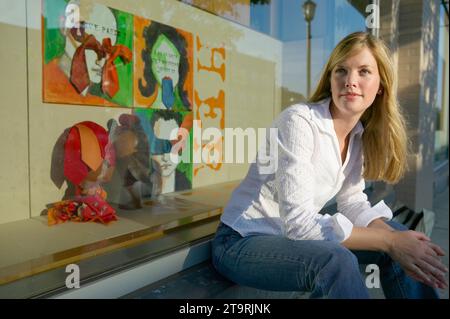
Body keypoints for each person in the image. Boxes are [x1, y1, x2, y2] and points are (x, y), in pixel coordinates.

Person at [211, 32, 448, 299]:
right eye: (342, 71)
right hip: (241, 242)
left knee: (402, 238)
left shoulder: (357, 135)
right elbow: (299, 225)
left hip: (289, 240)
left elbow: (353, 202)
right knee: (338, 261)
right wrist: (389, 241)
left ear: (380, 85)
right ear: (331, 79)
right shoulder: (299, 121)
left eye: (364, 72)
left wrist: (395, 240)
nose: (350, 81)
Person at [138, 22, 192, 111]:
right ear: (151, 63)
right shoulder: (142, 115)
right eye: (159, 58)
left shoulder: (190, 117)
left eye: (172, 58)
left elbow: (198, 124)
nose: (166, 66)